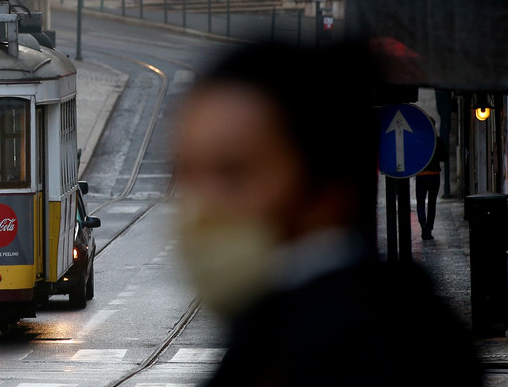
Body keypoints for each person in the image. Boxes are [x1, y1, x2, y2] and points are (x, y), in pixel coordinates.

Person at [172, 41, 480, 387]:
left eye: (234, 172)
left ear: (326, 185)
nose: (201, 205)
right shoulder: (280, 330)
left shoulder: (352, 352)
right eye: (186, 173)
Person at [416, 144, 444, 240]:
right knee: (432, 204)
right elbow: (444, 157)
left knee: (420, 202)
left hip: (421, 174)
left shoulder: (418, 140)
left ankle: (423, 225)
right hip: (434, 175)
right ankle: (428, 228)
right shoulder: (437, 140)